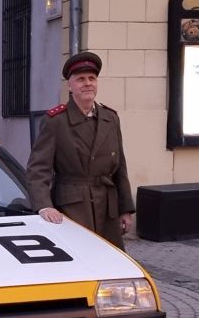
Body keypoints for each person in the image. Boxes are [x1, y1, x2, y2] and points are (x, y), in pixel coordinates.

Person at [26, 50, 135, 249]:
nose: (87, 83)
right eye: (81, 79)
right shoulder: (56, 121)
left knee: (109, 258)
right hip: (72, 206)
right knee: (80, 255)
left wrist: (125, 209)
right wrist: (44, 206)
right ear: (70, 85)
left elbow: (120, 168)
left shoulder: (110, 118)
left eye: (92, 78)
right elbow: (38, 169)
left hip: (107, 207)